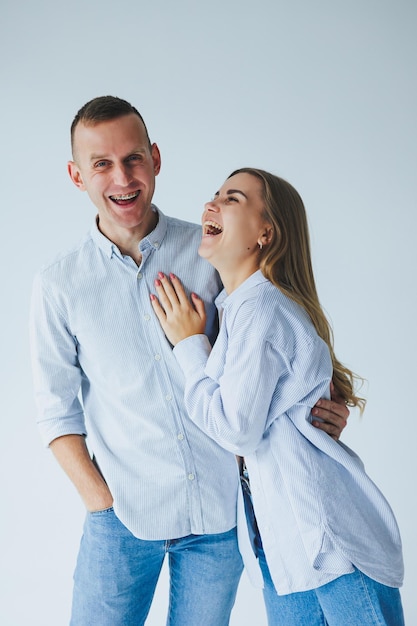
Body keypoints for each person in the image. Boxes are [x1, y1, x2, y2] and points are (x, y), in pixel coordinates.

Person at [30, 97, 350, 626]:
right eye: (101, 164)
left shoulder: (210, 248)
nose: (122, 178)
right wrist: (101, 502)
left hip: (216, 519)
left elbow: (273, 324)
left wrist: (320, 402)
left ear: (156, 158)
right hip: (121, 519)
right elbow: (55, 413)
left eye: (133, 158)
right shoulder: (59, 284)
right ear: (76, 175)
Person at [150, 168, 405, 625]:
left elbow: (236, 430)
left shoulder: (262, 309)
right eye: (214, 195)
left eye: (231, 198)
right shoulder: (240, 309)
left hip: (325, 544)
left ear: (265, 232)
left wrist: (189, 346)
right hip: (283, 551)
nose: (210, 204)